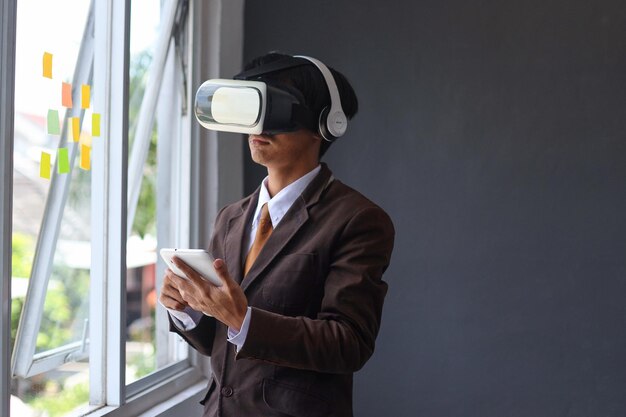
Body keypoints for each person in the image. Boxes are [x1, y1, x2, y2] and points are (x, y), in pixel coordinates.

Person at [159, 52, 395, 417]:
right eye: (253, 109)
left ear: (325, 124)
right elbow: (220, 344)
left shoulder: (358, 220)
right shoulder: (230, 217)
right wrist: (189, 308)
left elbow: (349, 343)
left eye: (277, 111)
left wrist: (243, 319)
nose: (259, 128)